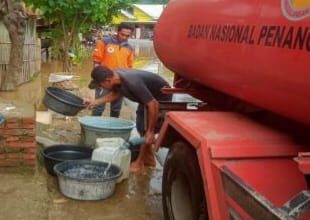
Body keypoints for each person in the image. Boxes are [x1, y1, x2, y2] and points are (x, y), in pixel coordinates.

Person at [85, 66, 172, 172]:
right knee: (140, 125)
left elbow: (153, 104)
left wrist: (151, 131)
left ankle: (139, 162)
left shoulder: (132, 83)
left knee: (146, 129)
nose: (101, 88)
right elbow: (116, 93)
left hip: (160, 98)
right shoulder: (115, 78)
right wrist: (96, 102)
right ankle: (148, 158)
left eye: (100, 85)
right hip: (147, 98)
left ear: (107, 81)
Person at [91, 23, 134, 117]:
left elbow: (130, 67)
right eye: (122, 34)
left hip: (120, 81)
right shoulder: (104, 42)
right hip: (104, 80)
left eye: (127, 35)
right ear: (117, 31)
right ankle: (93, 126)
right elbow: (96, 61)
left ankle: (113, 128)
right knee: (98, 106)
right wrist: (97, 79)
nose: (124, 37)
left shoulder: (129, 48)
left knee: (116, 108)